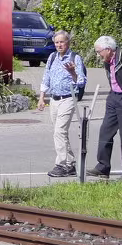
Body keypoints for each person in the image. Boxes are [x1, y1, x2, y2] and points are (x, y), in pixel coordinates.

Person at [36, 30, 85, 177]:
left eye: (62, 42)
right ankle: (70, 165)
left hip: (68, 98)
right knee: (60, 133)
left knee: (59, 132)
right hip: (54, 99)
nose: (59, 45)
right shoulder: (52, 57)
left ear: (68, 42)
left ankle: (61, 165)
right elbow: (46, 77)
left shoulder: (75, 58)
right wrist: (41, 98)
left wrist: (72, 72)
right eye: (56, 42)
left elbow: (81, 81)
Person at [92, 35, 122, 180]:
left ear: (108, 49)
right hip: (113, 98)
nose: (98, 55)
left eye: (99, 52)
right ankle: (103, 167)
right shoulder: (107, 61)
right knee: (105, 131)